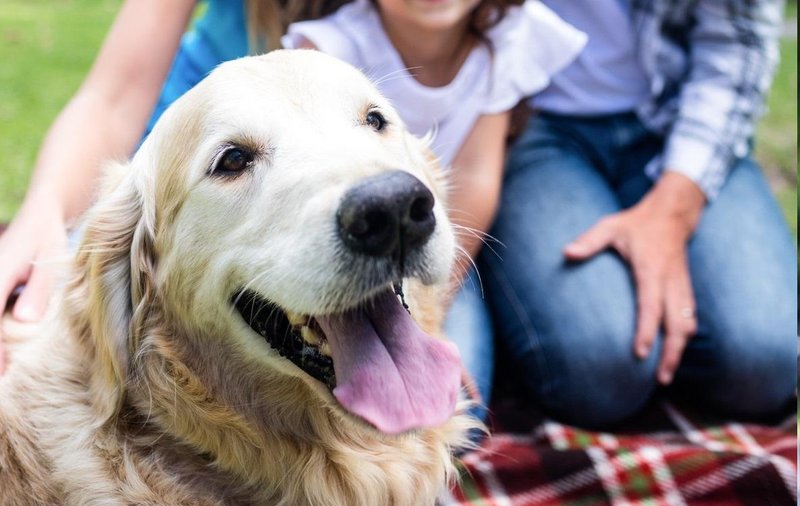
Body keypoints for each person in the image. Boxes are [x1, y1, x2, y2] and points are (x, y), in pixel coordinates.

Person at [0, 0, 586, 416]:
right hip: (191, 196)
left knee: (457, 412)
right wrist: (44, 214)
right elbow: (113, 96)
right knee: (31, 348)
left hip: (369, 217)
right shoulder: (336, 38)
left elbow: (468, 173)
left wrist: (435, 306)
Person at [454, 0, 796, 428]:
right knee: (603, 373)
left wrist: (672, 213)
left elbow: (738, 45)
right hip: (530, 123)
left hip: (680, 114)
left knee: (763, 364)